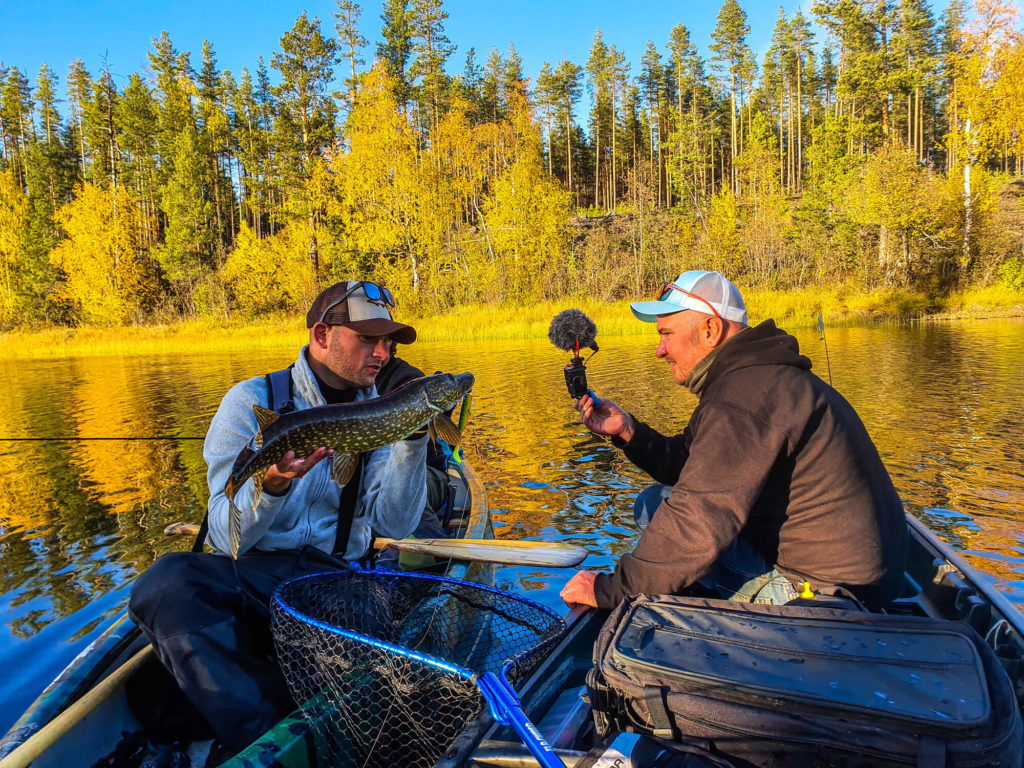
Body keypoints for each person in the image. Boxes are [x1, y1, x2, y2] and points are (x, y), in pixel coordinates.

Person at [129, 281, 429, 754]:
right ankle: (261, 738)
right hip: (254, 570)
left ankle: (264, 710)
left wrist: (414, 437)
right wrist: (270, 489)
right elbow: (227, 536)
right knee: (166, 583)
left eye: (388, 342)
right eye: (367, 339)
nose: (382, 353)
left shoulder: (385, 408)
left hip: (336, 579)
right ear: (321, 334)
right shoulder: (250, 403)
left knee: (373, 665)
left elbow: (395, 526)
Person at [560, 270, 908, 613]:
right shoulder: (757, 378)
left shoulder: (743, 397)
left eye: (666, 334)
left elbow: (696, 518)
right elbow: (690, 465)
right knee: (654, 502)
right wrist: (627, 431)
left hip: (825, 593)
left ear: (710, 329)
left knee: (668, 521)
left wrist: (611, 589)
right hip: (870, 575)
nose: (660, 350)